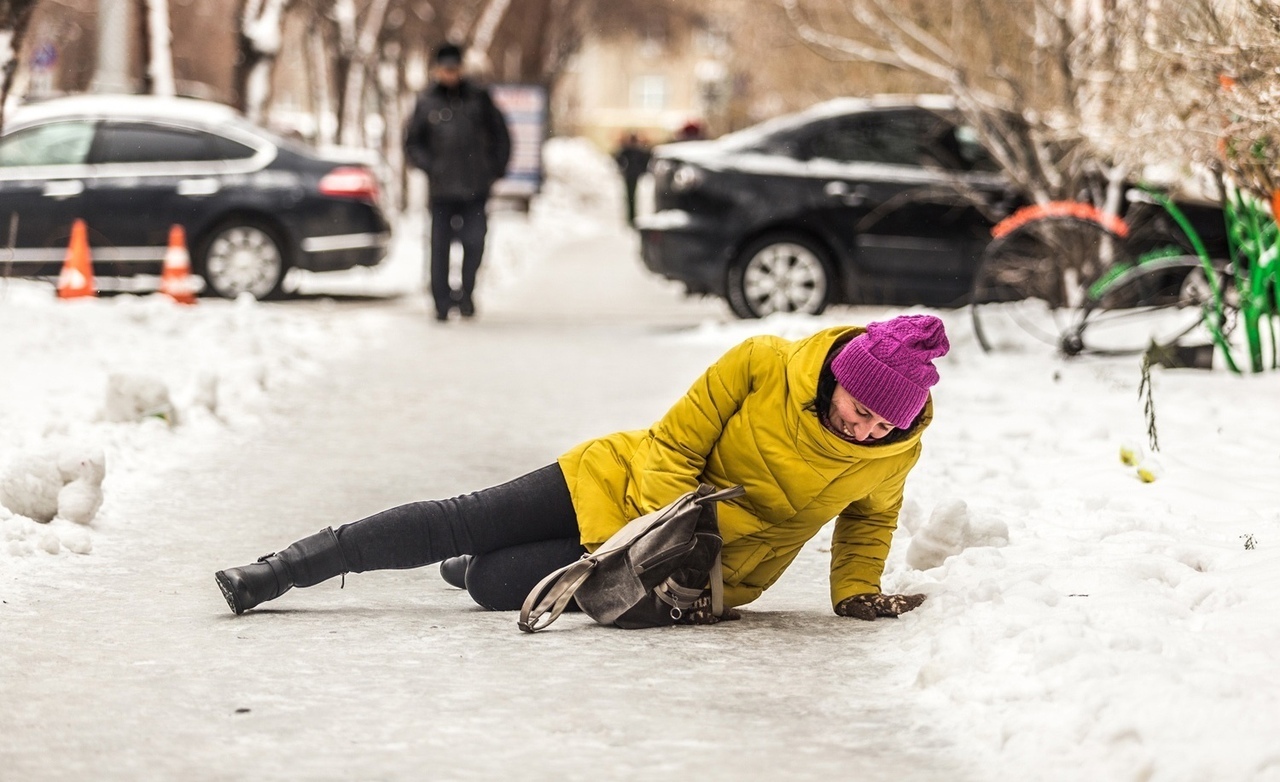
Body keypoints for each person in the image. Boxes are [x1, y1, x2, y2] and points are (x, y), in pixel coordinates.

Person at [215, 315, 949, 623]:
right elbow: (673, 444)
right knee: (462, 516)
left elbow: (871, 519)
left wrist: (855, 590)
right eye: (860, 408)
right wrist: (666, 528)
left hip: (696, 574)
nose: (867, 428)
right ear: (836, 376)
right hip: (625, 489)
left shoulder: (892, 453)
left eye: (885, 423)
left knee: (491, 583)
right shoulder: (762, 364)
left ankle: (468, 566)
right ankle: (283, 569)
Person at [404, 43, 511, 322]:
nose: (450, 74)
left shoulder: (479, 98)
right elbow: (412, 143)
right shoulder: (427, 101)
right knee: (439, 247)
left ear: (461, 69)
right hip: (441, 190)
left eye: (454, 69)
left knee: (474, 242)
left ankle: (466, 295)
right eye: (445, 69)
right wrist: (430, 166)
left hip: (476, 188)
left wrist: (494, 169)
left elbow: (501, 135)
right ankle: (441, 302)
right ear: (437, 70)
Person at [614, 132, 652, 226]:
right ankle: (632, 216)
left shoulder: (634, 151)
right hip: (631, 175)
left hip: (632, 175)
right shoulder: (631, 151)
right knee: (631, 196)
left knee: (631, 196)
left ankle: (632, 217)